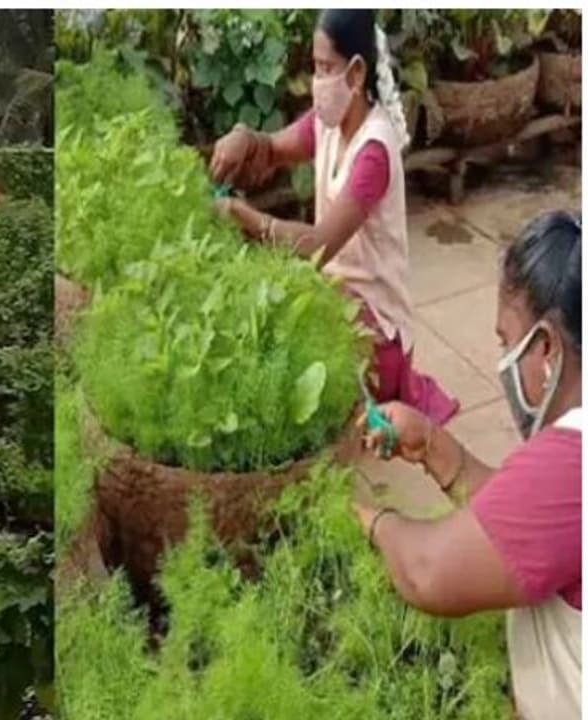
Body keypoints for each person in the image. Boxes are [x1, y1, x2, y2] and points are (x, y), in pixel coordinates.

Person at [353, 211, 582, 720]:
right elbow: (527, 532)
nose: (502, 358)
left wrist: (368, 519)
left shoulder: (572, 461)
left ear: (545, 347)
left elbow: (428, 572)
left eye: (506, 341)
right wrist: (433, 446)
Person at [208, 9, 459, 425]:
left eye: (326, 68)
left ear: (356, 73)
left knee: (283, 352)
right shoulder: (328, 123)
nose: (317, 81)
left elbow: (318, 246)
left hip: (374, 329)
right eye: (315, 67)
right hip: (336, 296)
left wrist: (243, 214)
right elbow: (272, 149)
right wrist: (244, 137)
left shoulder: (373, 152)